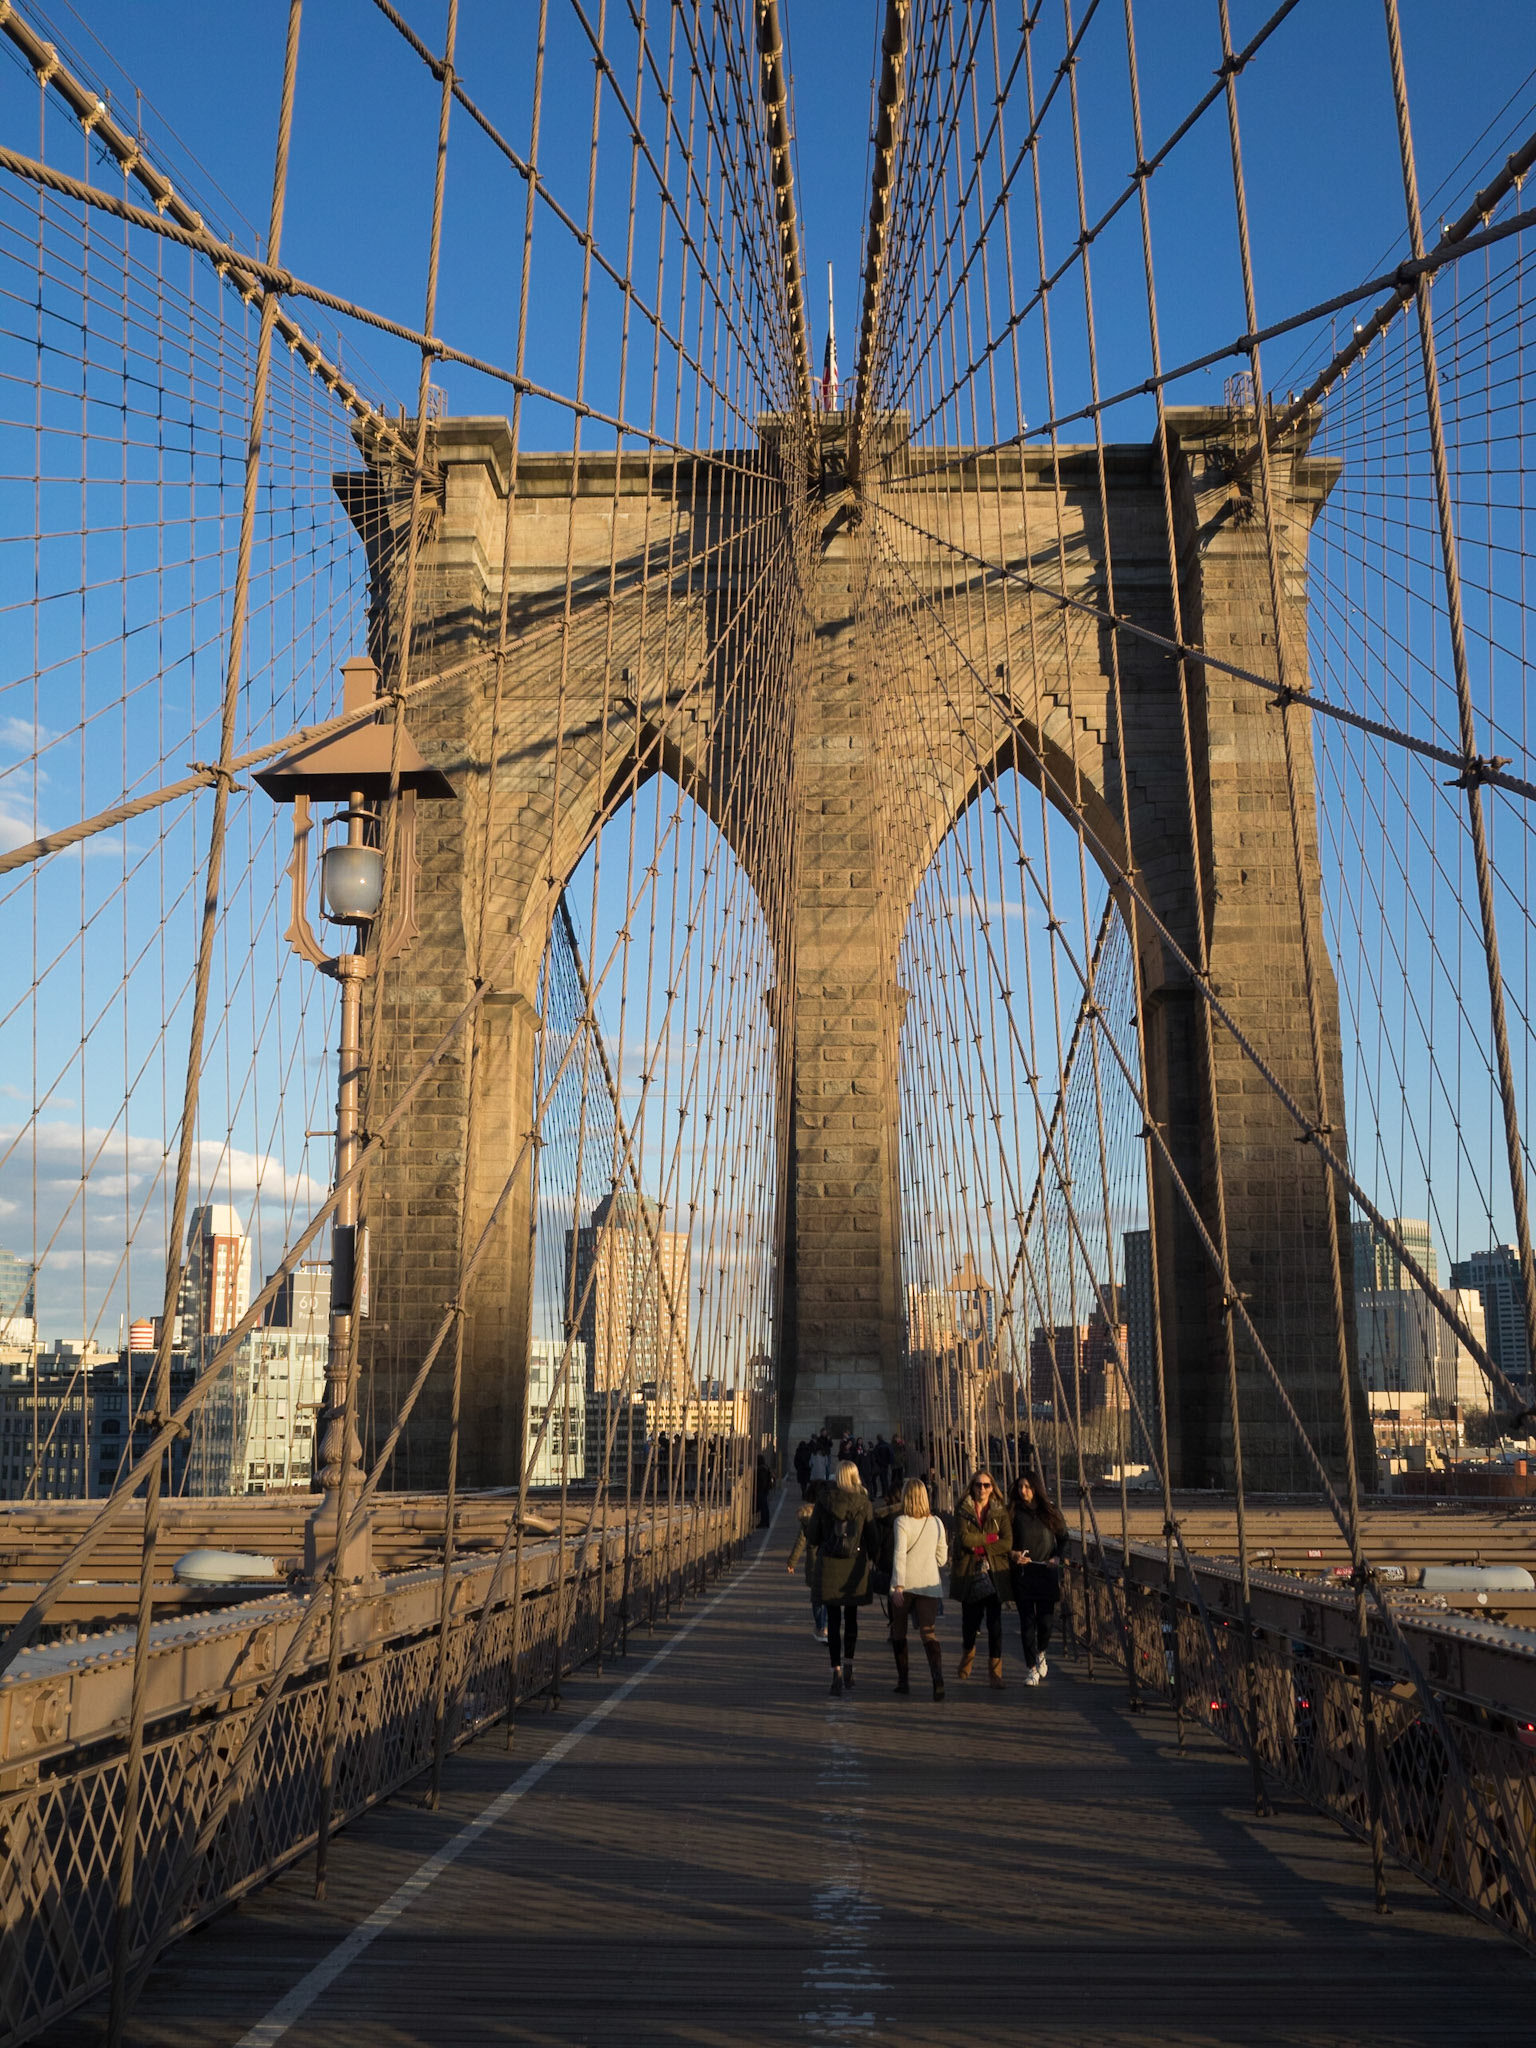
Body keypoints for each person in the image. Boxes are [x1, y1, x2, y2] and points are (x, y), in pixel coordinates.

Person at [801, 1458, 875, 1695]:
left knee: (833, 1621)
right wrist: (874, 1558)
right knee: (851, 1618)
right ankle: (850, 1666)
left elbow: (813, 1536)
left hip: (830, 1565)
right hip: (855, 1565)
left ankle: (836, 1671)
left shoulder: (824, 1500)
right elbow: (872, 1536)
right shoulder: (864, 1501)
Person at [949, 1468, 1011, 1689]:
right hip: (970, 1573)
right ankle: (968, 1656)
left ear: (992, 1488)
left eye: (986, 1485)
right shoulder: (963, 1509)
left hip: (993, 1573)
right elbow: (965, 1539)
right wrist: (992, 1538)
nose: (982, 1489)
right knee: (970, 1624)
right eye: (978, 1485)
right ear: (972, 1487)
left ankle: (996, 1674)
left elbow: (1008, 1542)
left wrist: (981, 1544)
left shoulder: (1000, 1512)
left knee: (995, 1626)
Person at [888, 1476, 948, 1699]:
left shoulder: (901, 1522)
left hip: (906, 1584)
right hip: (929, 1583)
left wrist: (898, 1586)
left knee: (899, 1631)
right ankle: (937, 1678)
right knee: (928, 1632)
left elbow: (899, 1555)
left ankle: (903, 1681)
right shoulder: (937, 1523)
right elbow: (942, 1558)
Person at [1007, 1470, 1068, 1683]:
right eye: (1020, 1487)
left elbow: (1063, 1538)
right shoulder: (1013, 1513)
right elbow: (1004, 1541)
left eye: (1028, 1487)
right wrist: (1012, 1554)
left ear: (1036, 1488)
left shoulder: (1050, 1512)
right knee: (1026, 1623)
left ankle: (1041, 1651)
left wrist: (1057, 1558)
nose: (1023, 1491)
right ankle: (1031, 1668)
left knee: (1046, 1622)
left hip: (1046, 1572)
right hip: (1023, 1574)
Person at [755, 1450, 774, 1528]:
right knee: (765, 1507)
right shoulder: (765, 1467)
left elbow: (762, 1481)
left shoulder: (761, 1469)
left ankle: (764, 1522)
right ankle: (765, 1522)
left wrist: (760, 1489)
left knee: (763, 1507)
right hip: (765, 1490)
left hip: (762, 1491)